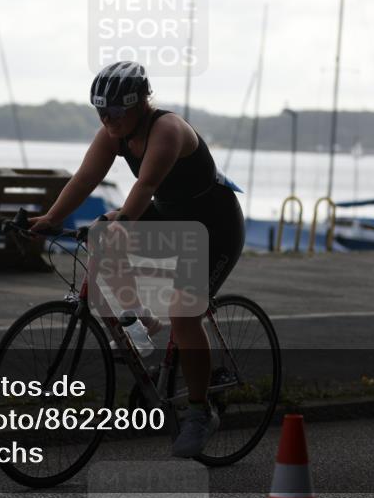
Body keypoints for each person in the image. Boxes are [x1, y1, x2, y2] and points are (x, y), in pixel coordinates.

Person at [29, 61, 246, 457]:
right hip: (171, 216)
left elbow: (145, 185)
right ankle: (139, 317)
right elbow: (83, 179)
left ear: (141, 104)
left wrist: (125, 220)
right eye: (100, 112)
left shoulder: (167, 130)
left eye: (115, 112)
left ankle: (200, 414)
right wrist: (50, 219)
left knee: (184, 313)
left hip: (214, 227)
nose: (107, 120)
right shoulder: (114, 133)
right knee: (101, 233)